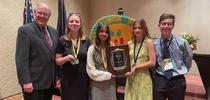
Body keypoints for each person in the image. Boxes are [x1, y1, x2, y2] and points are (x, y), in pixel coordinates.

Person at [15, 3, 58, 100]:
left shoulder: (54, 31)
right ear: (34, 13)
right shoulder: (25, 30)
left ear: (49, 16)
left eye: (45, 14)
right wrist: (26, 81)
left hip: (50, 82)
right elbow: (21, 59)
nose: (42, 16)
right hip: (33, 83)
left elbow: (55, 55)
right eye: (40, 13)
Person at [153, 13, 193, 100]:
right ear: (159, 25)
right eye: (163, 23)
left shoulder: (182, 43)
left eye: (169, 24)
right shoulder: (154, 44)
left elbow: (188, 59)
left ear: (173, 26)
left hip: (177, 80)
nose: (166, 26)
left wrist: (181, 70)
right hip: (160, 79)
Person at [55, 13, 91, 100]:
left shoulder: (87, 40)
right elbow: (57, 60)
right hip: (67, 78)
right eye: (71, 21)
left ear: (80, 24)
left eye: (77, 21)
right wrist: (65, 59)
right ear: (68, 24)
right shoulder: (62, 40)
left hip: (83, 78)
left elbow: (91, 59)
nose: (74, 23)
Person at [124, 19, 156, 100]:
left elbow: (152, 62)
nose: (137, 30)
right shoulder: (129, 43)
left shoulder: (148, 42)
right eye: (135, 28)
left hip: (143, 77)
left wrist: (136, 67)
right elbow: (125, 61)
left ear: (144, 29)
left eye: (140, 28)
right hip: (131, 77)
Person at [86, 22, 117, 100]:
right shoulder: (92, 48)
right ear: (97, 33)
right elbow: (91, 71)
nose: (104, 34)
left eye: (106, 32)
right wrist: (108, 75)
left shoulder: (112, 47)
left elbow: (117, 65)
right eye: (101, 31)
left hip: (110, 83)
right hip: (97, 84)